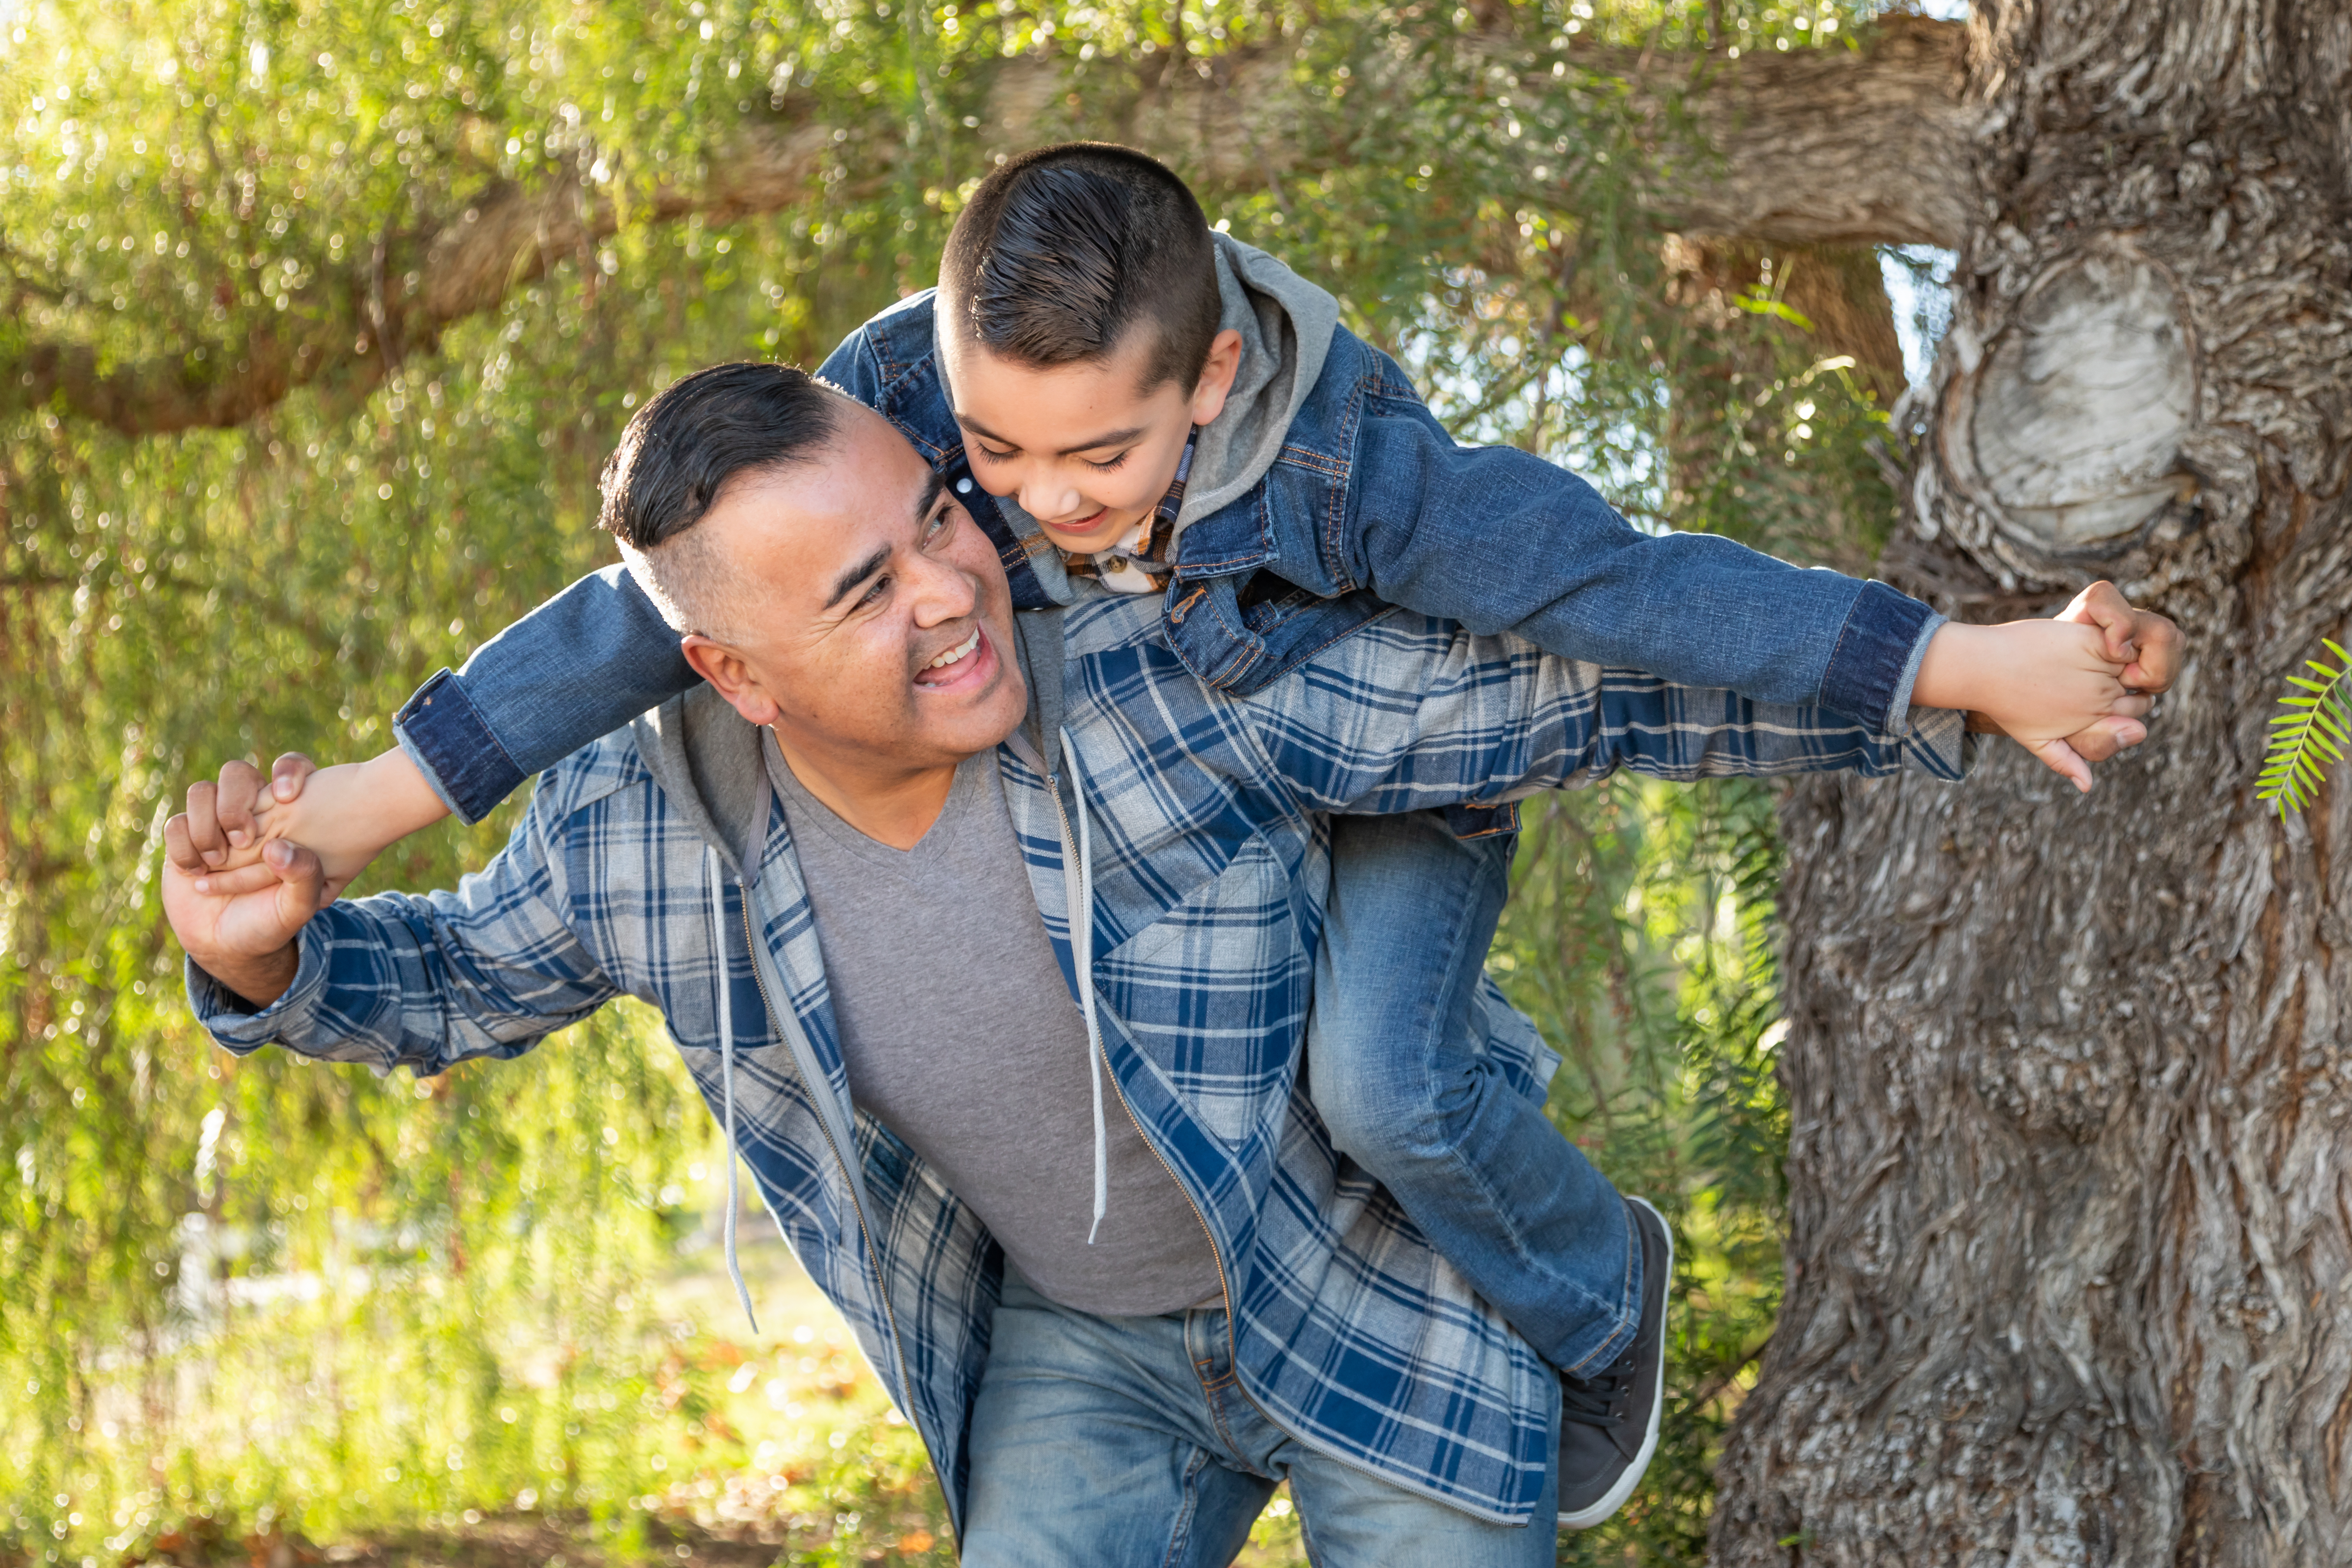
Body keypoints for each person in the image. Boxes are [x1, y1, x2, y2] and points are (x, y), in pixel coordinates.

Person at [184, 145, 2175, 1528]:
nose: (1022, 523)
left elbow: (1611, 630)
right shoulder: (870, 466)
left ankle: (1593, 1299)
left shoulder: (1336, 514)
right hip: (1093, 1313)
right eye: (987, 466)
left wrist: (1958, 664)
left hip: (1391, 894)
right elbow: (627, 623)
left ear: (1208, 384)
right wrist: (335, 847)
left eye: (1082, 469)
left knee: (1387, 1078)